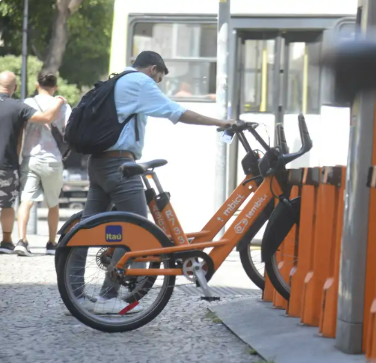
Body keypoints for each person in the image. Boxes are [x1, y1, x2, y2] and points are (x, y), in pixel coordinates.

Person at [68, 51, 235, 315]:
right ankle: (107, 296)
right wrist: (220, 122)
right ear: (153, 69)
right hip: (120, 166)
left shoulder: (118, 80)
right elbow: (176, 112)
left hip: (99, 163)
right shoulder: (139, 82)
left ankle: (74, 296)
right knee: (138, 230)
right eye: (158, 79)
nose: (156, 84)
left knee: (86, 230)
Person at [0, 71, 67, 254]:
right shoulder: (60, 105)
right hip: (46, 160)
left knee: (26, 201)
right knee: (50, 203)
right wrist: (60, 101)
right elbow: (60, 126)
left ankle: (22, 240)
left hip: (31, 159)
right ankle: (49, 244)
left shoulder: (26, 103)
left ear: (37, 85)